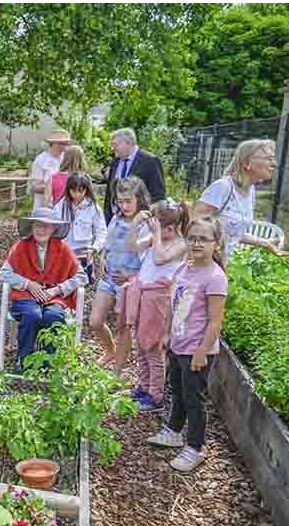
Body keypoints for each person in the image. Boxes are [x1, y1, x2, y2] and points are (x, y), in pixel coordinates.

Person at [146, 216, 228, 472]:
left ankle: (195, 447)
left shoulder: (215, 277)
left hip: (197, 350)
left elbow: (215, 322)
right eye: (192, 238)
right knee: (178, 391)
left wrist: (202, 352)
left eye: (203, 239)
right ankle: (173, 430)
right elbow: (175, 304)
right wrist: (167, 334)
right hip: (178, 344)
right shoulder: (185, 267)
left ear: (217, 244)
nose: (196, 243)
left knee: (194, 399)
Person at [119, 199, 190, 412]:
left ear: (170, 227)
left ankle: (156, 395)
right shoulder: (156, 237)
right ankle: (144, 385)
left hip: (159, 299)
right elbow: (131, 246)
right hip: (143, 294)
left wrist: (156, 234)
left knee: (153, 346)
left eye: (157, 226)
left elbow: (160, 259)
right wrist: (135, 225)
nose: (153, 230)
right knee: (141, 343)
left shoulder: (180, 243)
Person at [0, 207, 88, 372]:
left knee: (53, 316)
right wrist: (28, 284)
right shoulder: (21, 247)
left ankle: (49, 363)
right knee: (32, 315)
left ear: (53, 229)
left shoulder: (63, 249)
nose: (41, 230)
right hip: (26, 296)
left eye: (46, 226)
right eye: (38, 226)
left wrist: (58, 289)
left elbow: (82, 277)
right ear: (32, 227)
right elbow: (4, 273)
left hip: (54, 297)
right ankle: (24, 361)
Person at [90, 177, 150, 376]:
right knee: (95, 322)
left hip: (129, 283)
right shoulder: (116, 217)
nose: (123, 206)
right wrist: (104, 258)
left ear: (139, 199)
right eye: (120, 201)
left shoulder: (145, 223)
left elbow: (152, 259)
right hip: (109, 277)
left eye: (128, 201)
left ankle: (116, 373)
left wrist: (133, 275)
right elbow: (108, 242)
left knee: (122, 327)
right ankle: (110, 350)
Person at [193, 139, 285, 261]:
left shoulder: (250, 190)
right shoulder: (223, 186)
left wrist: (264, 243)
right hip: (207, 264)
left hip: (228, 264)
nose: (274, 164)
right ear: (247, 162)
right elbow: (193, 223)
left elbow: (233, 233)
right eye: (268, 158)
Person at [103, 128, 165, 223]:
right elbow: (109, 195)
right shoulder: (115, 162)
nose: (113, 148)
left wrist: (144, 216)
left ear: (129, 143)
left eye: (115, 144)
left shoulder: (150, 161)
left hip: (139, 222)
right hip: (115, 222)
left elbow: (158, 194)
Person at [55, 172, 106, 284]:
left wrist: (95, 248)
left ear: (86, 190)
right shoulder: (60, 206)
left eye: (80, 191)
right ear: (68, 190)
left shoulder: (93, 208)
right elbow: (54, 230)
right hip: (65, 255)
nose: (76, 194)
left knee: (82, 287)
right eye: (73, 191)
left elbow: (102, 231)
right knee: (64, 286)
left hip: (85, 256)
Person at [29, 130, 74, 209]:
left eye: (66, 143)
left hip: (63, 206)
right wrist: (53, 187)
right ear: (52, 144)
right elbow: (35, 186)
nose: (65, 146)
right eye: (61, 143)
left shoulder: (66, 158)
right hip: (43, 205)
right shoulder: (40, 160)